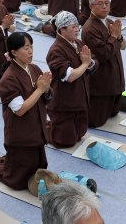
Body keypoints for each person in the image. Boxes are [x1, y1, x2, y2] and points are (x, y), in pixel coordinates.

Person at [0, 32, 52, 190]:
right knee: (17, 181)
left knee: (38, 170)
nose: (30, 51)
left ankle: (0, 159)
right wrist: (40, 89)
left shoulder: (34, 68)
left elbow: (47, 96)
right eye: (26, 47)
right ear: (14, 52)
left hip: (37, 129)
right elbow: (20, 110)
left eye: (31, 47)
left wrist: (47, 90)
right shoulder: (8, 79)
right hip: (21, 133)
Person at [45, 11, 94, 148]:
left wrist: (89, 63)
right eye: (73, 27)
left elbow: (91, 61)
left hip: (79, 97)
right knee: (65, 142)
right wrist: (85, 64)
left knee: (80, 133)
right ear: (62, 29)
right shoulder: (55, 50)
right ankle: (42, 128)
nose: (77, 29)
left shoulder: (77, 43)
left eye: (78, 26)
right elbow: (69, 76)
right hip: (63, 102)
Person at [82, 0, 125, 127]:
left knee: (114, 114)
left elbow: (123, 46)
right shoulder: (89, 28)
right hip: (102, 82)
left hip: (116, 77)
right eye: (100, 4)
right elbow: (104, 54)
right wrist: (114, 37)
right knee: (95, 122)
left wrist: (118, 37)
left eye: (107, 3)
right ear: (91, 6)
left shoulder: (110, 22)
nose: (105, 7)